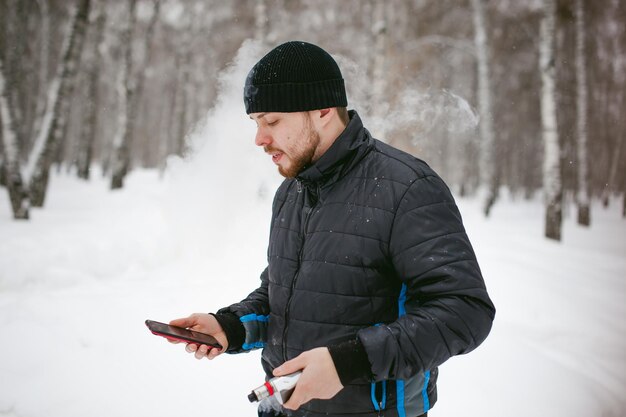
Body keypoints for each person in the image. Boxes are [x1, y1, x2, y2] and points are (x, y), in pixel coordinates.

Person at [169, 41, 495, 417]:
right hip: (283, 409)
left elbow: (465, 310)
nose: (260, 139)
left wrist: (348, 363)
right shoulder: (291, 191)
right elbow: (282, 295)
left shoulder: (407, 187)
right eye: (256, 123)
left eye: (272, 121)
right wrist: (230, 326)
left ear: (323, 110)